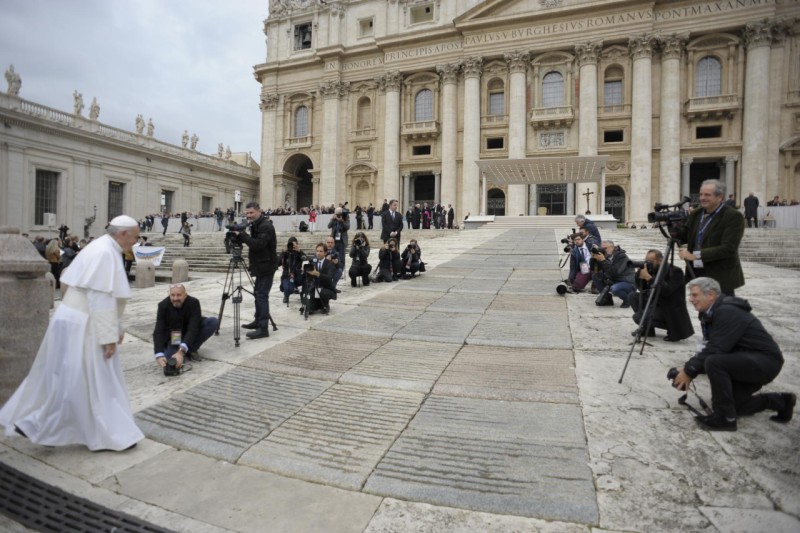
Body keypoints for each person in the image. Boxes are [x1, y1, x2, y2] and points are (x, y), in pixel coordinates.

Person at [0, 215, 144, 451]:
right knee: (94, 380)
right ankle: (110, 433)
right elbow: (101, 297)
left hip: (73, 318)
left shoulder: (100, 246)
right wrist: (108, 337)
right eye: (135, 237)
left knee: (68, 377)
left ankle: (35, 423)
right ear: (122, 234)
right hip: (85, 323)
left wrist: (115, 328)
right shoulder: (105, 253)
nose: (136, 242)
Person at [672, 277, 795, 431]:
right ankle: (781, 401)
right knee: (733, 405)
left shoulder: (727, 311)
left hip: (764, 362)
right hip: (747, 360)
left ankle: (725, 419)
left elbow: (716, 349)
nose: (690, 299)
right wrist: (686, 369)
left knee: (714, 362)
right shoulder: (711, 312)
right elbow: (713, 347)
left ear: (711, 295)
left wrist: (689, 371)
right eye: (690, 295)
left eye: (695, 295)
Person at [678, 179, 745, 296]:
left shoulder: (733, 216)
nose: (702, 198)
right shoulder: (696, 214)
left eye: (707, 195)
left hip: (720, 276)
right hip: (697, 273)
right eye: (701, 194)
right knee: (700, 306)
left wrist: (696, 255)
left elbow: (728, 248)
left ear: (720, 197)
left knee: (721, 307)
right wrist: (673, 226)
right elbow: (684, 237)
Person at [627, 249, 694, 342]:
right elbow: (641, 289)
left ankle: (672, 328)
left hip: (669, 308)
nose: (648, 263)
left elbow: (666, 291)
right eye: (646, 260)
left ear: (660, 261)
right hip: (655, 303)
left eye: (650, 261)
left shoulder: (675, 271)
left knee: (638, 317)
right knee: (633, 296)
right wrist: (639, 276)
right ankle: (648, 329)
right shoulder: (652, 270)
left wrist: (649, 278)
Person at [153, 284, 219, 374]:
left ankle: (191, 349)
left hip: (190, 330)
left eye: (179, 295)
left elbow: (193, 328)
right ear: (169, 294)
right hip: (175, 336)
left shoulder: (193, 302)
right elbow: (159, 330)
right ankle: (184, 350)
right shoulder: (163, 305)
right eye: (173, 295)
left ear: (185, 295)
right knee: (171, 361)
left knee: (212, 322)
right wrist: (159, 354)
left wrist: (181, 351)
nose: (175, 298)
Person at [236, 202, 277, 339]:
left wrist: (243, 236)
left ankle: (263, 328)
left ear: (259, 211)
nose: (249, 216)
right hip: (260, 266)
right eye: (247, 213)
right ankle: (258, 321)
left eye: (251, 212)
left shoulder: (266, 226)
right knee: (257, 294)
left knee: (262, 296)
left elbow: (258, 244)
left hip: (266, 267)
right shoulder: (256, 225)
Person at [592, 240, 635, 307]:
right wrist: (593, 259)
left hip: (627, 282)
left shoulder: (622, 256)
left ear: (612, 247)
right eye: (601, 249)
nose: (603, 250)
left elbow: (615, 272)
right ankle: (607, 299)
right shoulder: (606, 256)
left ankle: (628, 300)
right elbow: (594, 269)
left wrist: (603, 261)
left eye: (605, 248)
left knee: (614, 288)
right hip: (614, 280)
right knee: (596, 276)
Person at [301, 243, 337, 315]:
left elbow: (329, 278)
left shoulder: (330, 264)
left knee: (322, 293)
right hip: (315, 287)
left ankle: (325, 305)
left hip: (326, 288)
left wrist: (317, 274)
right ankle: (317, 305)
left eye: (321, 251)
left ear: (325, 253)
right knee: (309, 308)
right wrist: (305, 271)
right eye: (317, 251)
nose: (318, 253)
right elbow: (308, 277)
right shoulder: (313, 262)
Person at [280, 236, 307, 304]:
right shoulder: (285, 253)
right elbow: (277, 262)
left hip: (298, 276)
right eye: (291, 245)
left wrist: (300, 251)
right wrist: (283, 252)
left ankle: (303, 295)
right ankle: (286, 294)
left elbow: (306, 258)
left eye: (294, 245)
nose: (292, 247)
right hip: (287, 276)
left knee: (307, 279)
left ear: (297, 245)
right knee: (289, 288)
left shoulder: (299, 253)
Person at [328, 207, 350, 272]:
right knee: (333, 256)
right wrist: (332, 219)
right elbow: (329, 226)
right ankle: (334, 270)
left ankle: (341, 271)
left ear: (341, 213)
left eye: (339, 213)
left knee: (341, 257)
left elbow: (347, 227)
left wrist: (342, 221)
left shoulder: (345, 216)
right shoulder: (334, 218)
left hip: (342, 241)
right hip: (334, 241)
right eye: (336, 213)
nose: (337, 215)